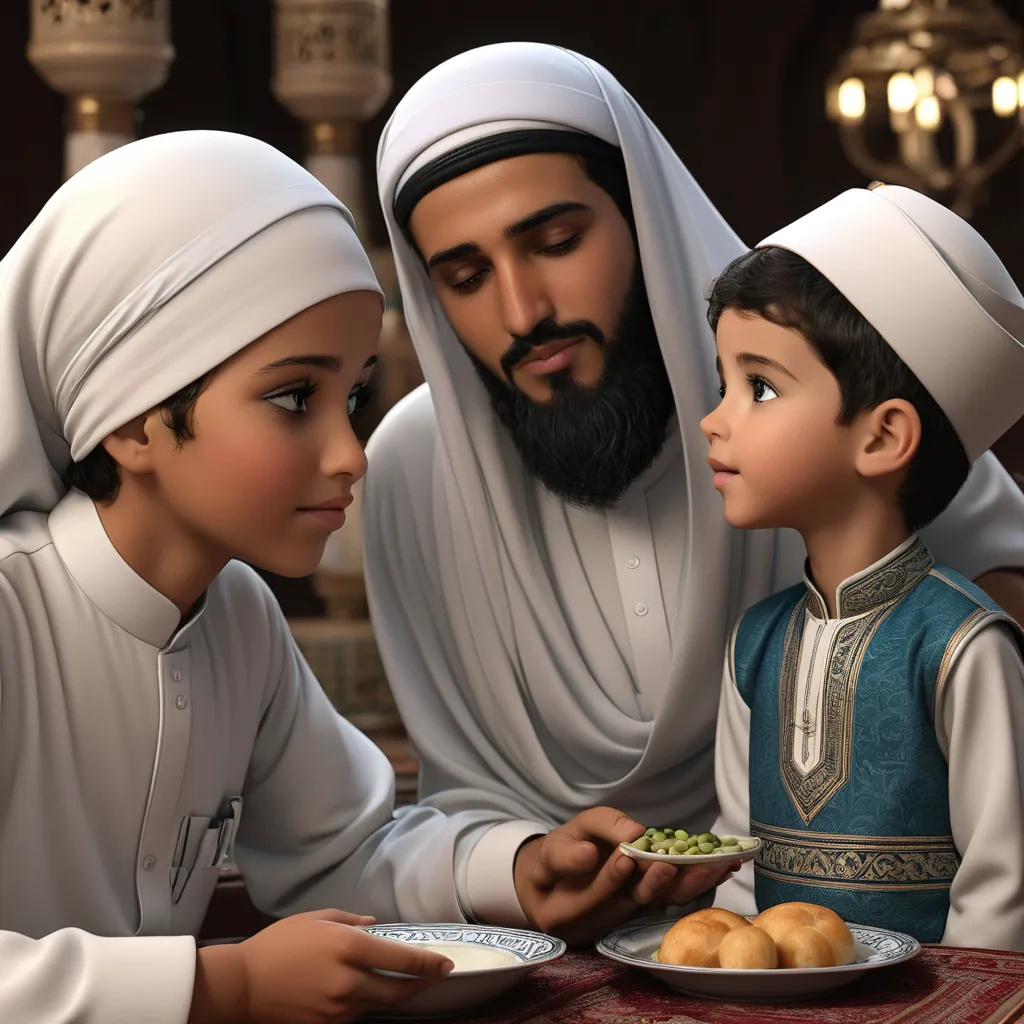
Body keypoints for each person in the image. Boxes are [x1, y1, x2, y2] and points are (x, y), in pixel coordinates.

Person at [364, 41, 1024, 943]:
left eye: (557, 242)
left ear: (641, 215)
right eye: (466, 279)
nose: (523, 313)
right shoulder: (410, 466)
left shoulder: (826, 362)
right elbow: (439, 807)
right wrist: (520, 863)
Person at [0, 129, 478, 1024]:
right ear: (134, 423)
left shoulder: (237, 617)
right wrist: (226, 986)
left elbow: (341, 851)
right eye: (295, 397)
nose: (350, 453)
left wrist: (525, 873)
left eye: (356, 399)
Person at [705, 184, 1024, 950]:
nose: (715, 419)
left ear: (882, 437)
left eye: (759, 387)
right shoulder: (756, 642)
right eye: (723, 385)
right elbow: (741, 864)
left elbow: (1002, 890)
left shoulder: (963, 645)